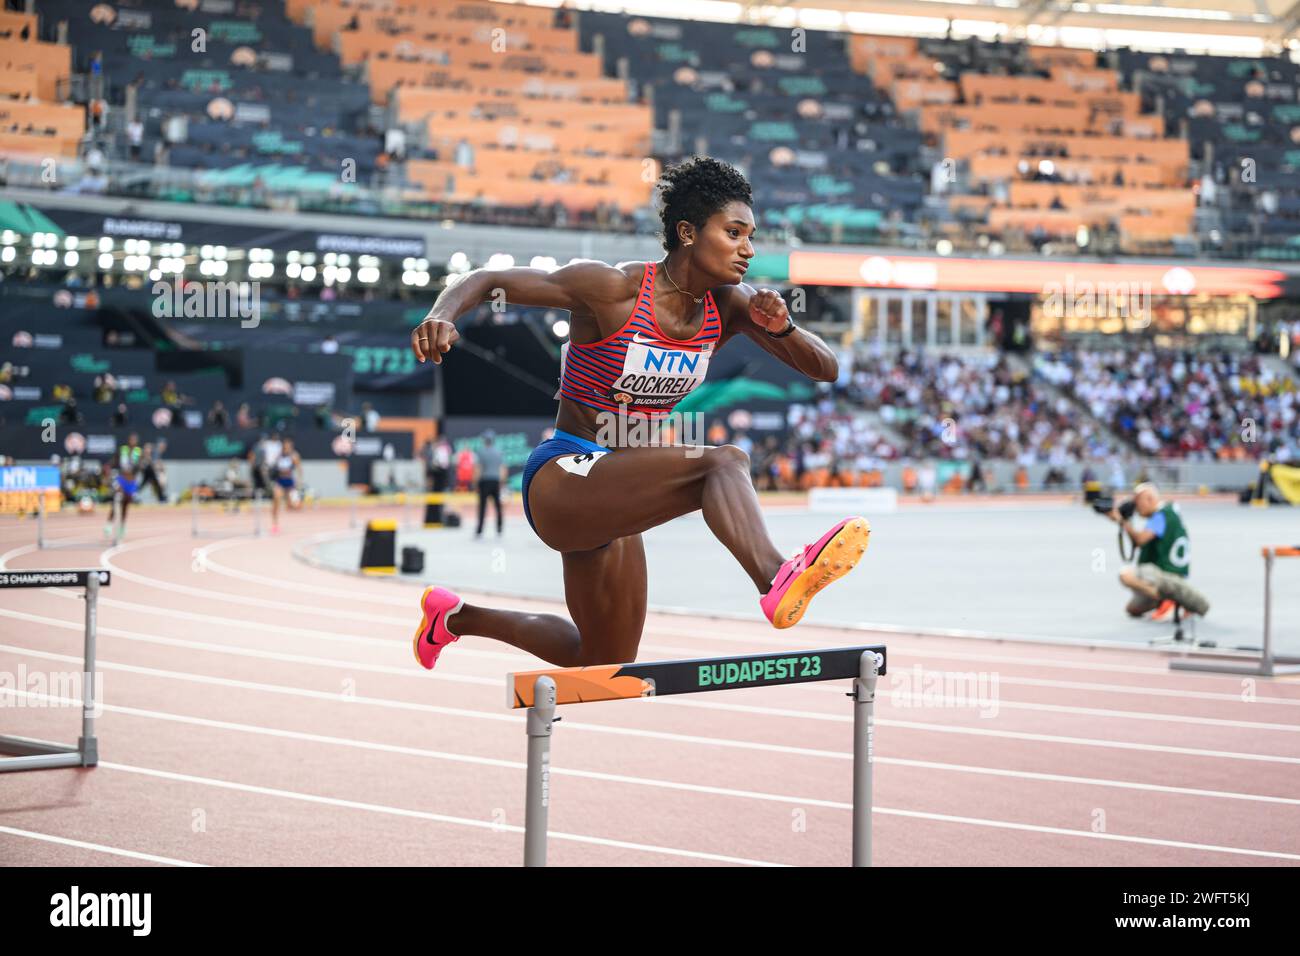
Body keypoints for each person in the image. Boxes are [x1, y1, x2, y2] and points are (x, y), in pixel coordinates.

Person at [406, 156, 870, 670]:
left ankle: (454, 618)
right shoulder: (613, 289)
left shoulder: (732, 306)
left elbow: (825, 368)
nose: (749, 249)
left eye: (751, 235)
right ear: (688, 232)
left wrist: (783, 328)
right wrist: (441, 315)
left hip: (618, 488)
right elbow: (489, 278)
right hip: (566, 474)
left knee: (606, 657)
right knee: (723, 461)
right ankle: (776, 578)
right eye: (735, 232)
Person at [1110, 482, 1210, 620]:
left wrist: (1122, 521)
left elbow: (1140, 540)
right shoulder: (1169, 512)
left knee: (1125, 574)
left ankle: (1170, 599)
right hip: (1170, 573)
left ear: (1150, 499)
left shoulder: (1160, 516)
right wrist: (1124, 522)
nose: (1136, 508)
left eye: (1137, 502)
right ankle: (1167, 601)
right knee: (1132, 609)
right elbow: (1139, 543)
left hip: (1166, 574)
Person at [109, 433, 143, 539]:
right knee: (117, 500)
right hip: (122, 478)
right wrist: (112, 470)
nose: (133, 441)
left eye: (135, 440)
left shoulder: (138, 452)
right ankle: (109, 524)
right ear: (128, 440)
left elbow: (140, 466)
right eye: (131, 439)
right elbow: (114, 461)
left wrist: (139, 466)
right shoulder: (123, 449)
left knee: (126, 504)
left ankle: (122, 526)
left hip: (131, 481)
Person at [473, 430, 507, 538]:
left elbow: (478, 468)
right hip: (496, 481)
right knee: (498, 506)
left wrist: (475, 483)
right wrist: (502, 482)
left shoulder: (481, 452)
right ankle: (499, 528)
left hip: (484, 481)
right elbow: (503, 469)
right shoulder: (499, 452)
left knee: (482, 507)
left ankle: (480, 530)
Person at [269, 436, 302, 534]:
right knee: (276, 500)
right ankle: (275, 524)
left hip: (289, 482)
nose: (286, 448)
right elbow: (274, 466)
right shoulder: (279, 455)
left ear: (291, 447)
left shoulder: (294, 456)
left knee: (294, 506)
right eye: (285, 446)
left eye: (288, 447)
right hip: (280, 480)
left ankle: (290, 504)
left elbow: (299, 469)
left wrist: (299, 482)